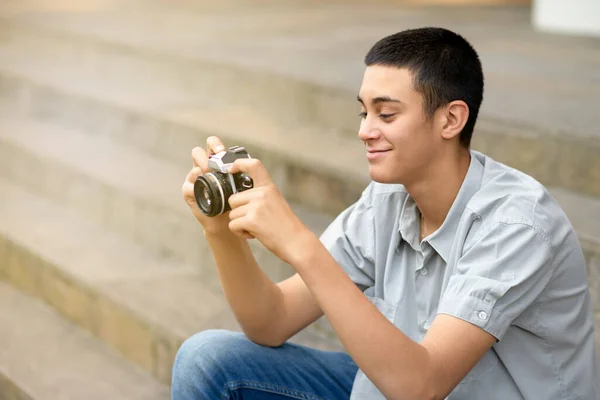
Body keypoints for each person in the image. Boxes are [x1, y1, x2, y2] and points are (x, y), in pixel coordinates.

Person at [172, 27, 599, 399]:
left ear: (451, 119)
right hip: (397, 383)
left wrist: (299, 244)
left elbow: (421, 386)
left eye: (386, 113)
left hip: (431, 386)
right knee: (207, 358)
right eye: (364, 111)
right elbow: (270, 322)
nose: (365, 130)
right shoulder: (388, 198)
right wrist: (219, 230)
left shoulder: (517, 223)